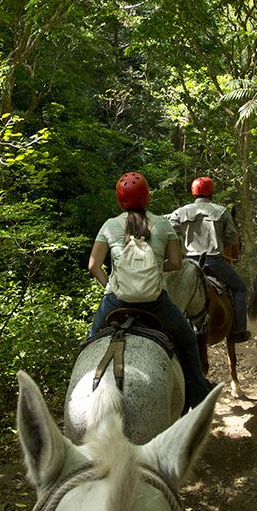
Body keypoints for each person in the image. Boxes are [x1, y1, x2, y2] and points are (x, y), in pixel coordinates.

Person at [87, 172, 212, 408]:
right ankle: (198, 393)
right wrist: (155, 267)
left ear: (119, 199)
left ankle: (80, 388)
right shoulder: (163, 224)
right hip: (155, 303)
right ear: (147, 197)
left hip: (115, 301)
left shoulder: (109, 225)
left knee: (91, 344)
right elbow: (176, 263)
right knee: (187, 338)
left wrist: (111, 285)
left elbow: (93, 265)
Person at [168, 176, 251, 343]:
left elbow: (168, 230)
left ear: (193, 192)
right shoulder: (221, 211)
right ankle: (239, 330)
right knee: (241, 289)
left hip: (188, 263)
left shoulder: (181, 212)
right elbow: (233, 239)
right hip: (214, 263)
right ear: (211, 192)